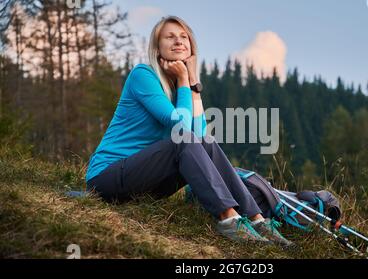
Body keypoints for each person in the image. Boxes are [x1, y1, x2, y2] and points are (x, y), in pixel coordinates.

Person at [85, 15, 292, 246]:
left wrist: (192, 83)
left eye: (184, 37)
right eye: (170, 37)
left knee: (205, 142)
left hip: (146, 185)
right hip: (107, 179)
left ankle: (257, 220)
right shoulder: (143, 75)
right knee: (184, 140)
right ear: (157, 47)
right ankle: (229, 220)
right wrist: (184, 79)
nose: (178, 41)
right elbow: (181, 129)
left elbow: (200, 138)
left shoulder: (181, 86)